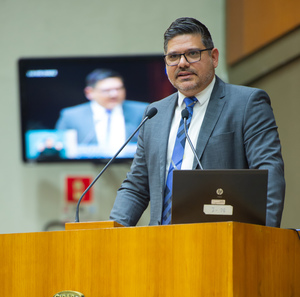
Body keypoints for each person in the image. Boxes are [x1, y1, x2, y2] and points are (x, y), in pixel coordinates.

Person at [110, 17, 285, 227]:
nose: (182, 63)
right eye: (173, 56)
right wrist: (111, 232)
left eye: (192, 53)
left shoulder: (246, 103)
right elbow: (137, 186)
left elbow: (267, 174)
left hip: (219, 243)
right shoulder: (154, 113)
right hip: (159, 245)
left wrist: (263, 238)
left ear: (214, 57)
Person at [55, 68, 148, 155]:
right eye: (107, 90)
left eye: (118, 89)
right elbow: (61, 151)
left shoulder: (143, 111)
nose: (114, 94)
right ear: (89, 93)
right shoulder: (71, 116)